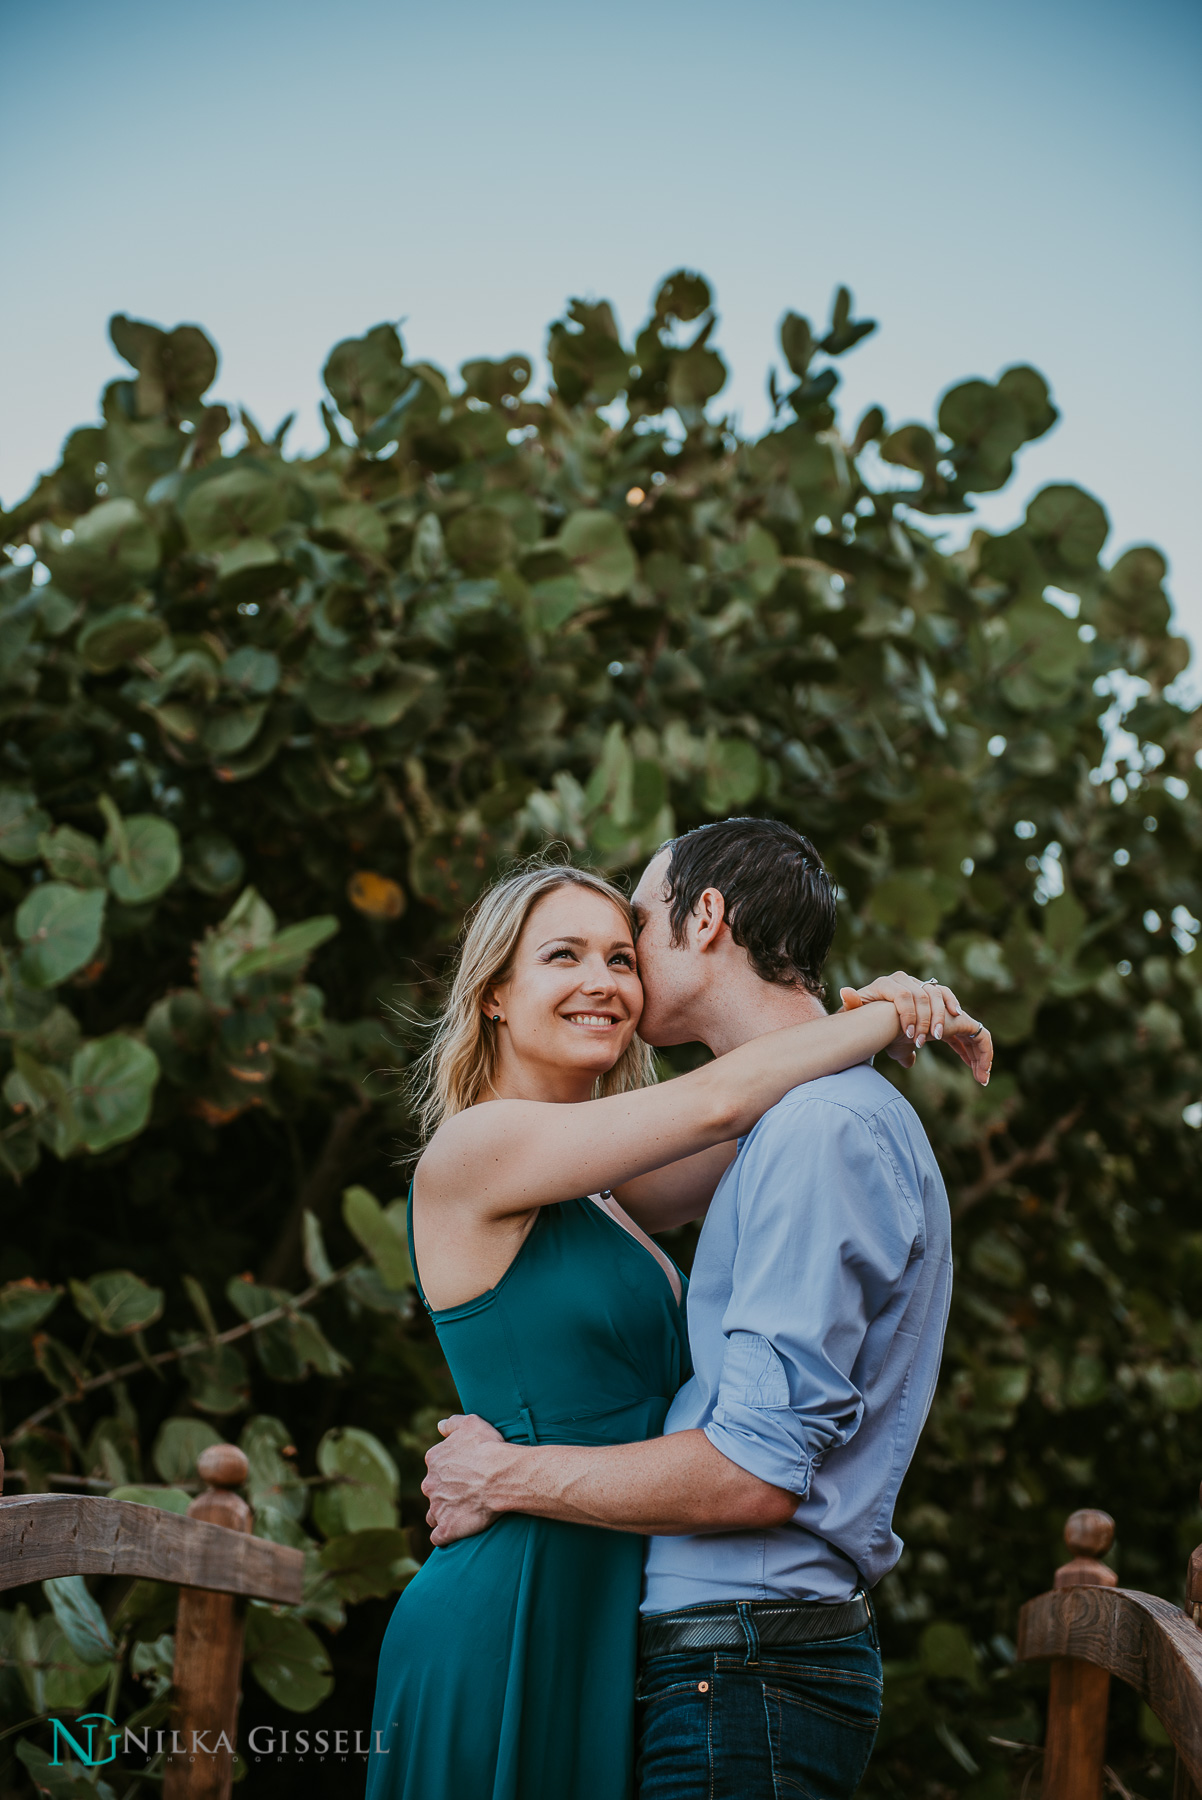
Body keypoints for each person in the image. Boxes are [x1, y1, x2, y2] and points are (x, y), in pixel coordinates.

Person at [370, 829, 990, 1800]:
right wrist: (881, 1017)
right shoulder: (477, 1148)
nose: (607, 980)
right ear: (492, 990)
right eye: (562, 956)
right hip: (515, 1595)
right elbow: (721, 1103)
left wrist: (873, 1008)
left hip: (611, 1608)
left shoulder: (610, 1190)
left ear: (701, 924)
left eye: (621, 951)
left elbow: (755, 1108)